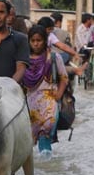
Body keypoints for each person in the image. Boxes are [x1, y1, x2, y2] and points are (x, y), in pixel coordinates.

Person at [23, 25, 68, 159]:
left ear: (45, 41)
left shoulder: (54, 58)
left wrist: (59, 94)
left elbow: (64, 78)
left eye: (39, 40)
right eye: (33, 40)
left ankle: (47, 169)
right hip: (29, 104)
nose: (36, 44)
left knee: (45, 135)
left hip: (49, 103)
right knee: (29, 142)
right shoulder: (23, 60)